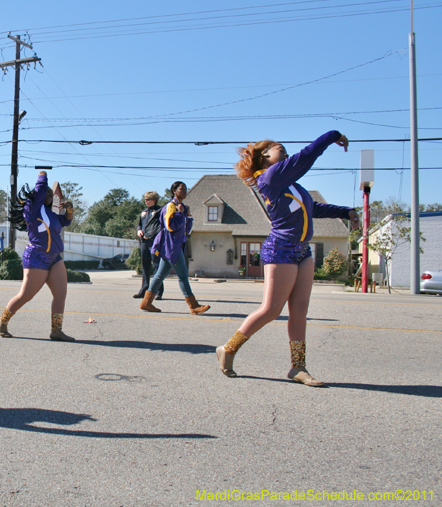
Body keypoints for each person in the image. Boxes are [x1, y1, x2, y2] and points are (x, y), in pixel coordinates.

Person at [216, 130, 360, 387]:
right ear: (264, 157)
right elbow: (305, 156)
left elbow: (312, 208)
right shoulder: (270, 177)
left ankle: (298, 367)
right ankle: (228, 348)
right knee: (271, 309)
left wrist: (345, 211)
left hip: (302, 250)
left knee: (300, 311)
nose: (284, 151)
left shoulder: (291, 184)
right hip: (280, 248)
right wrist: (331, 136)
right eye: (278, 148)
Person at [0, 171, 75, 341]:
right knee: (26, 295)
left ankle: (56, 330)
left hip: (55, 257)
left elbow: (66, 221)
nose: (49, 195)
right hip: (36, 256)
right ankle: (2, 321)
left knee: (60, 295)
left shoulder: (50, 213)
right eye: (46, 192)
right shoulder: (31, 209)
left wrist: (69, 208)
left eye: (50, 194)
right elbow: (39, 190)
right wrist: (43, 175)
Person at [139, 181, 210, 315]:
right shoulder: (170, 206)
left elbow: (186, 230)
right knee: (183, 276)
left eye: (185, 189)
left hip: (174, 246)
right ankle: (193, 306)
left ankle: (146, 303)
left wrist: (188, 216)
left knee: (159, 275)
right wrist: (180, 214)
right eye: (182, 189)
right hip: (171, 246)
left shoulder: (181, 207)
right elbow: (170, 226)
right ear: (174, 191)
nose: (185, 192)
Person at [133, 191, 164, 300]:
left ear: (154, 200)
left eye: (148, 199)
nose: (146, 201)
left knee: (156, 266)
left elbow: (161, 227)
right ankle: (144, 289)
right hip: (144, 242)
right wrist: (139, 231)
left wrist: (150, 235)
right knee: (145, 266)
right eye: (145, 199)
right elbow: (140, 225)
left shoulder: (160, 211)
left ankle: (158, 291)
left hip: (154, 242)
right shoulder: (144, 212)